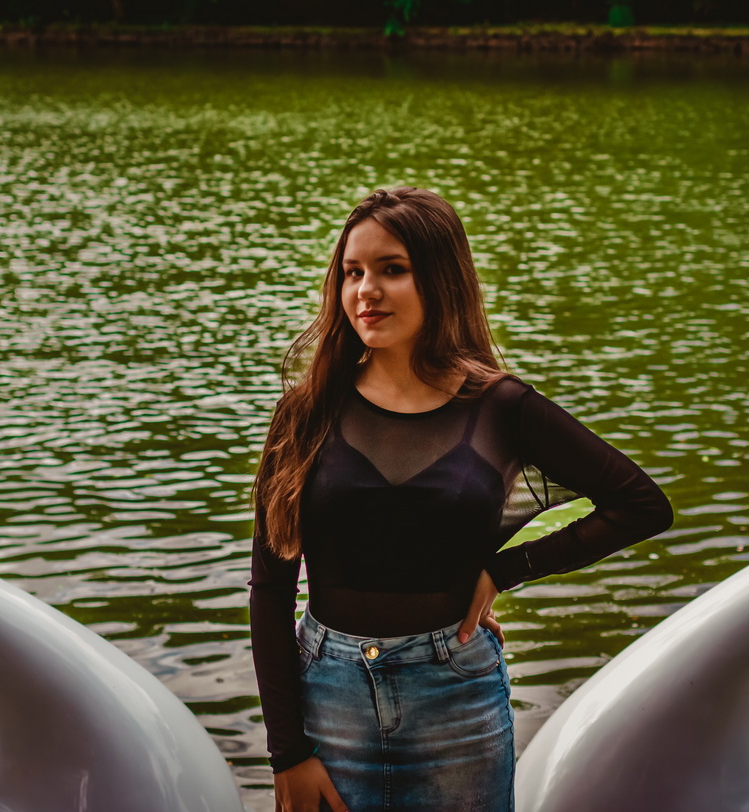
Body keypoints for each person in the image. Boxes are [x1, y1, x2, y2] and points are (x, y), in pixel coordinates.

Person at [249, 187, 673, 812]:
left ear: (441, 280)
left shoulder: (502, 408)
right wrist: (287, 752)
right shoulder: (305, 412)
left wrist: (505, 569)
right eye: (352, 272)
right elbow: (270, 588)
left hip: (457, 699)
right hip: (326, 699)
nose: (366, 291)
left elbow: (639, 505)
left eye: (393, 269)